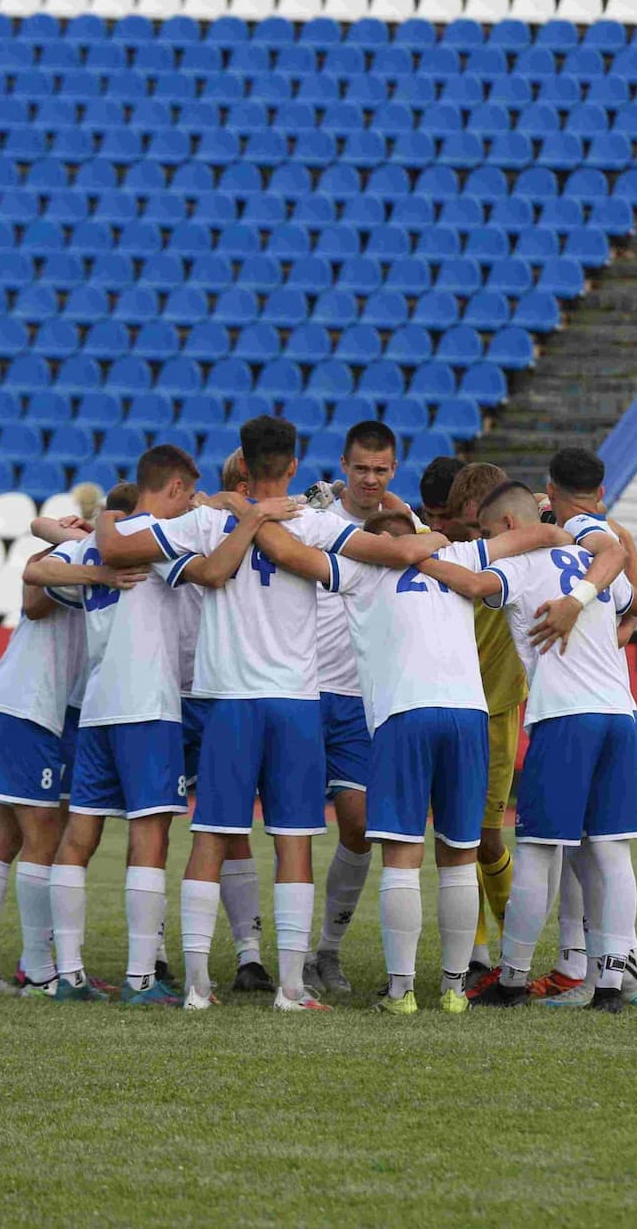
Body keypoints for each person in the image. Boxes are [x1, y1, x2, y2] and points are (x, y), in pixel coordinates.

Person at [97, 416, 447, 1012]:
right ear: (291, 466)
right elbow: (400, 550)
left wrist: (220, 506)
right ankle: (290, 987)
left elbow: (114, 544)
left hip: (228, 700)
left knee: (212, 835)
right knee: (294, 842)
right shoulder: (314, 523)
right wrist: (438, 541)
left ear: (243, 462)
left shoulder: (206, 521)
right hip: (294, 701)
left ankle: (200, 986)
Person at [255, 506, 572, 1013]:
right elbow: (541, 535)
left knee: (402, 856)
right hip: (470, 713)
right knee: (459, 855)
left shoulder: (359, 569)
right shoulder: (457, 554)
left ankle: (401, 991)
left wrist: (251, 514)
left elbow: (284, 551)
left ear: (373, 543)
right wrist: (572, 532)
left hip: (405, 712)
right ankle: (452, 990)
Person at [43, 449, 265, 1004]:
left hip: (97, 708)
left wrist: (93, 550)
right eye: (187, 494)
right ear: (172, 487)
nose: (190, 503)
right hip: (148, 706)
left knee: (79, 838)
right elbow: (213, 573)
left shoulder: (100, 539)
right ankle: (143, 977)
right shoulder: (152, 538)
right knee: (152, 837)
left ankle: (66, 974)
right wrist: (250, 520)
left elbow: (36, 568)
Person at [414, 481, 637, 1013]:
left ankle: (513, 979)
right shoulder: (589, 560)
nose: (490, 541)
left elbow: (473, 583)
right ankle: (610, 984)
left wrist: (414, 560)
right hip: (620, 711)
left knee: (540, 852)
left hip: (565, 716)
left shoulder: (521, 565)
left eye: (491, 532)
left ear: (511, 527)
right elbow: (636, 601)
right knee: (612, 852)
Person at [0, 510, 124, 997]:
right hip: (30, 705)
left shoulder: (95, 551)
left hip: (46, 706)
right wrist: (75, 547)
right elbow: (33, 600)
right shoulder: (81, 554)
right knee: (43, 835)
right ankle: (39, 969)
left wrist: (62, 535)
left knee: (5, 837)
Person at [304, 420, 406, 997]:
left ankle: (328, 952)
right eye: (361, 468)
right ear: (343, 465)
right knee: (285, 828)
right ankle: (264, 956)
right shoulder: (313, 520)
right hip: (298, 688)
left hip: (358, 700)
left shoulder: (404, 527)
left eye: (381, 469)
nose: (370, 479)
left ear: (394, 469)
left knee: (361, 827)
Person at [179, 450, 274, 996]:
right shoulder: (203, 522)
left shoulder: (254, 526)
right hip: (198, 691)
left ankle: (247, 956)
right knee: (191, 828)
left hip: (216, 688)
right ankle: (164, 959)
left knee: (227, 828)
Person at [437, 461, 530, 984]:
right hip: (447, 706)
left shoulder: (525, 546)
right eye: (469, 530)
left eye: (485, 530)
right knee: (454, 836)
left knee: (488, 838)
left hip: (496, 708)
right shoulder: (436, 552)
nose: (480, 541)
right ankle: (472, 955)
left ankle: (514, 949)